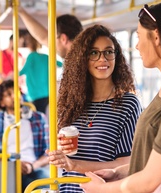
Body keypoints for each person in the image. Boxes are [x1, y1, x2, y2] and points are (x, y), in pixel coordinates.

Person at [79, 2, 161, 192]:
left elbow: (150, 180)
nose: (137, 45)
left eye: (140, 36)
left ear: (156, 37)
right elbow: (156, 163)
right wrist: (118, 172)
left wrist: (101, 190)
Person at [46, 25, 142, 193]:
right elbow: (64, 154)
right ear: (82, 59)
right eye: (93, 53)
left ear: (116, 57)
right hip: (68, 189)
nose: (102, 59)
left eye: (108, 52)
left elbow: (127, 164)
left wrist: (75, 165)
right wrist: (60, 153)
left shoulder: (127, 104)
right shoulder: (72, 103)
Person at [0, 80, 49, 192]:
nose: (15, 96)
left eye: (16, 92)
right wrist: (13, 165)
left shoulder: (39, 118)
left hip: (33, 168)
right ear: (1, 103)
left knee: (46, 185)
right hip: (5, 167)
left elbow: (48, 153)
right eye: (9, 94)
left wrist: (31, 166)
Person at [19, 31, 63, 114]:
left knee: (38, 116)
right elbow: (60, 64)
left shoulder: (31, 57)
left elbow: (21, 72)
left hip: (35, 94)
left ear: (28, 44)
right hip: (48, 92)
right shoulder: (46, 57)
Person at [18, 7, 83, 58]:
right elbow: (44, 37)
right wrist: (21, 11)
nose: (51, 41)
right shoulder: (76, 55)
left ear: (63, 39)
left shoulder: (82, 61)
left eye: (54, 38)